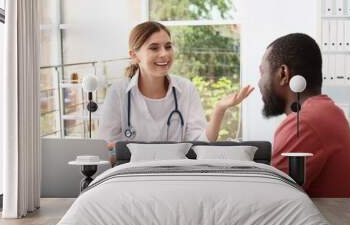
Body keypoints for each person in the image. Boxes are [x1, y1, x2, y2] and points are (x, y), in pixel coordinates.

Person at [99, 21, 254, 151]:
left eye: (168, 46)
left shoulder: (186, 89)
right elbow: (107, 148)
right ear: (134, 55)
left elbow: (201, 144)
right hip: (132, 177)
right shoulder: (118, 93)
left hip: (176, 173)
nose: (164, 54)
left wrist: (220, 109)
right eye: (154, 48)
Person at [258, 33, 350, 197]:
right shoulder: (329, 111)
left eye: (262, 72)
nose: (259, 82)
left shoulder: (304, 123)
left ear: (284, 74)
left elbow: (270, 199)